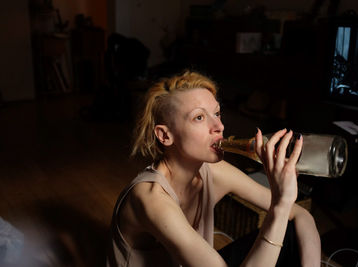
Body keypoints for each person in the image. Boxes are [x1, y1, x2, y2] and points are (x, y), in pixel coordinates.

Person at [106, 71, 321, 267]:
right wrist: (280, 205)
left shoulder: (213, 172)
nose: (219, 126)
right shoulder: (150, 198)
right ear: (165, 135)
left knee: (290, 232)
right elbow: (286, 209)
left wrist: (284, 206)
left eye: (216, 113)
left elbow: (302, 215)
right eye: (199, 117)